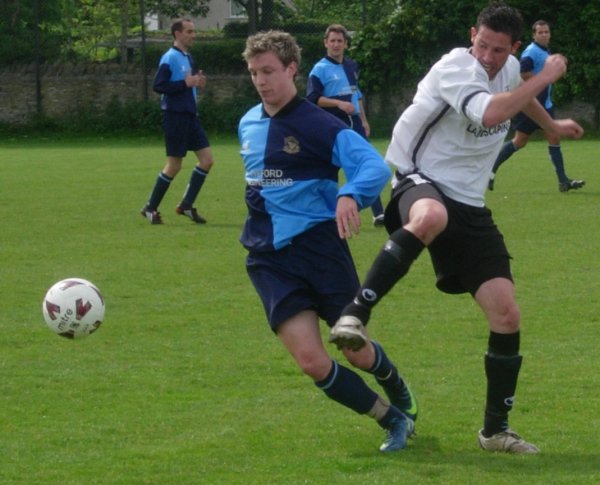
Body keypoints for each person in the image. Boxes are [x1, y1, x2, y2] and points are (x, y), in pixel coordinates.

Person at [330, 2, 584, 454]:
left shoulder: (507, 72)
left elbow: (519, 93)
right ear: (473, 35)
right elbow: (489, 114)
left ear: (514, 49)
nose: (487, 56)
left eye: (498, 49)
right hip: (417, 175)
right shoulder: (455, 66)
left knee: (506, 314)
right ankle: (356, 314)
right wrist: (548, 76)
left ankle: (495, 430)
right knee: (430, 216)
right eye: (482, 44)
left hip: (469, 200)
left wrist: (552, 127)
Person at [238, 30, 418, 453]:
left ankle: (396, 385)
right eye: (253, 73)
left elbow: (374, 167)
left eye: (268, 71)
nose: (261, 81)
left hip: (320, 249)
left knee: (354, 349)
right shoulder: (247, 122)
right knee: (311, 362)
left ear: (292, 69)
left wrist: (348, 194)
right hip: (268, 258)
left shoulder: (320, 124)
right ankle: (392, 420)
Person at [488, 20, 584, 192]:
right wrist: (543, 81)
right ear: (534, 35)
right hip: (531, 106)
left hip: (545, 104)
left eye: (546, 32)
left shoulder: (544, 51)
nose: (544, 35)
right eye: (540, 32)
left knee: (551, 138)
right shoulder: (531, 52)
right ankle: (490, 171)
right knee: (519, 141)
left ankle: (563, 181)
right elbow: (523, 73)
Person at [307, 24, 386, 227]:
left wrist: (364, 120)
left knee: (365, 165)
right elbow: (313, 99)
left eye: (339, 41)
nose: (335, 44)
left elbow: (356, 94)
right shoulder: (319, 69)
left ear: (345, 44)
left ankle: (378, 213)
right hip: (332, 126)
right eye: (332, 40)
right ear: (325, 43)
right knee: (327, 168)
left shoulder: (351, 66)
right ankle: (322, 211)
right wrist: (338, 103)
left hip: (355, 124)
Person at [140, 19, 215, 224]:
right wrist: (185, 83)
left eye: (194, 31)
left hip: (190, 115)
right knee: (174, 165)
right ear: (177, 34)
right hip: (175, 116)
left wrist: (198, 82)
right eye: (189, 31)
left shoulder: (189, 57)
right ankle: (150, 208)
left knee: (207, 160)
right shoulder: (170, 57)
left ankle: (186, 205)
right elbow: (159, 85)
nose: (193, 35)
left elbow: (190, 82)